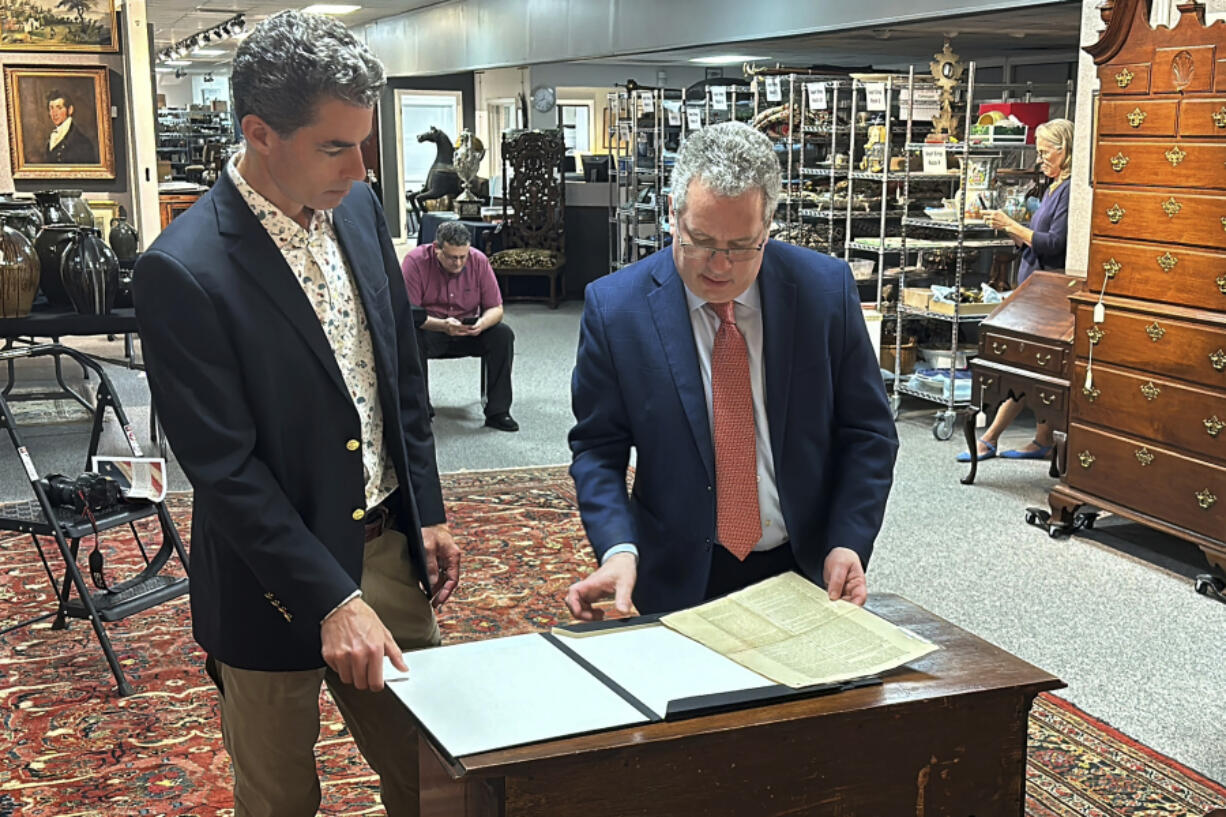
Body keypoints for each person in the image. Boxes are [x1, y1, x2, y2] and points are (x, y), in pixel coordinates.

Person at [132, 11, 460, 817]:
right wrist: (328, 598)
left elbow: (399, 377)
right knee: (280, 798)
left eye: (366, 143)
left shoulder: (356, 208)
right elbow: (224, 468)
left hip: (387, 548)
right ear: (260, 133)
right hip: (266, 577)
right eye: (335, 146)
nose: (360, 167)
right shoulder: (184, 270)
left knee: (438, 780)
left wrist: (429, 507)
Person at [565, 121, 898, 619]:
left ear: (768, 228)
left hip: (805, 566)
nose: (719, 266)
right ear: (674, 217)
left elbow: (868, 432)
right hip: (675, 572)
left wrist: (848, 540)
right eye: (700, 240)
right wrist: (618, 548)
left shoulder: (824, 292)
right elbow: (598, 448)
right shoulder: (617, 309)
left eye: (743, 247)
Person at [961, 118, 1075, 463]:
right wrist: (1010, 230)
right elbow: (1034, 244)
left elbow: (1055, 244)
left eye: (1045, 153)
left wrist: (1013, 226)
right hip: (1034, 284)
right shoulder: (1053, 187)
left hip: (1049, 293)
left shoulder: (1071, 191)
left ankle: (991, 436)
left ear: (1065, 151)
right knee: (1037, 369)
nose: (1040, 161)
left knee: (1023, 365)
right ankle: (1041, 439)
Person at [401, 219, 518, 431]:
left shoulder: (479, 260)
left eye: (463, 257)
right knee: (409, 338)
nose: (458, 263)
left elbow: (496, 308)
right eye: (452, 257)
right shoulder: (415, 261)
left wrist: (482, 324)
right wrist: (443, 326)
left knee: (502, 334)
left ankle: (498, 411)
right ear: (437, 249)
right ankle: (420, 410)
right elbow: (409, 314)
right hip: (431, 328)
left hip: (468, 329)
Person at [43, 90, 97, 164]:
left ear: (70, 110)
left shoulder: (82, 143)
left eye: (59, 108)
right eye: (51, 108)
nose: (54, 113)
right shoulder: (52, 137)